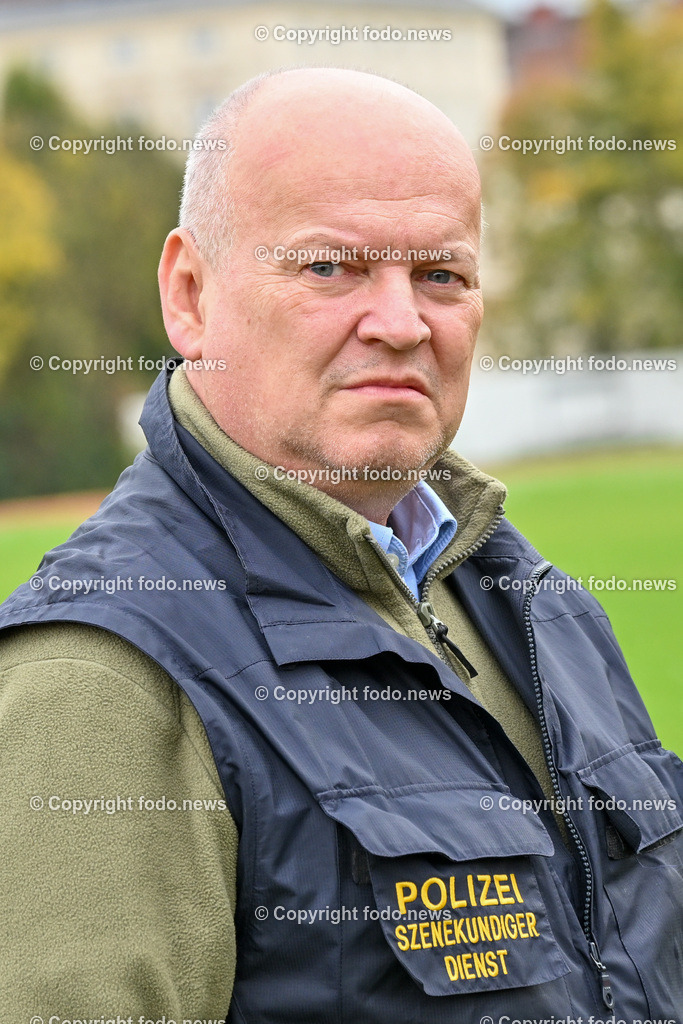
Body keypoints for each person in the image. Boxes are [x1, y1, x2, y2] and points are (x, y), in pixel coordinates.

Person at [0, 67, 681, 1022]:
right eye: (331, 267)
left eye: (439, 274)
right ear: (190, 294)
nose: (400, 323)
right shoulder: (104, 681)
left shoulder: (540, 609)